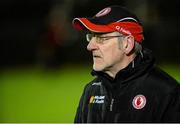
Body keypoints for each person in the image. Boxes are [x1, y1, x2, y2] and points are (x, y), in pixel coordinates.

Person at [72, 5, 180, 123]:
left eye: (101, 38)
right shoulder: (91, 91)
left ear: (127, 44)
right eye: (91, 37)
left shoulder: (166, 93)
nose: (90, 46)